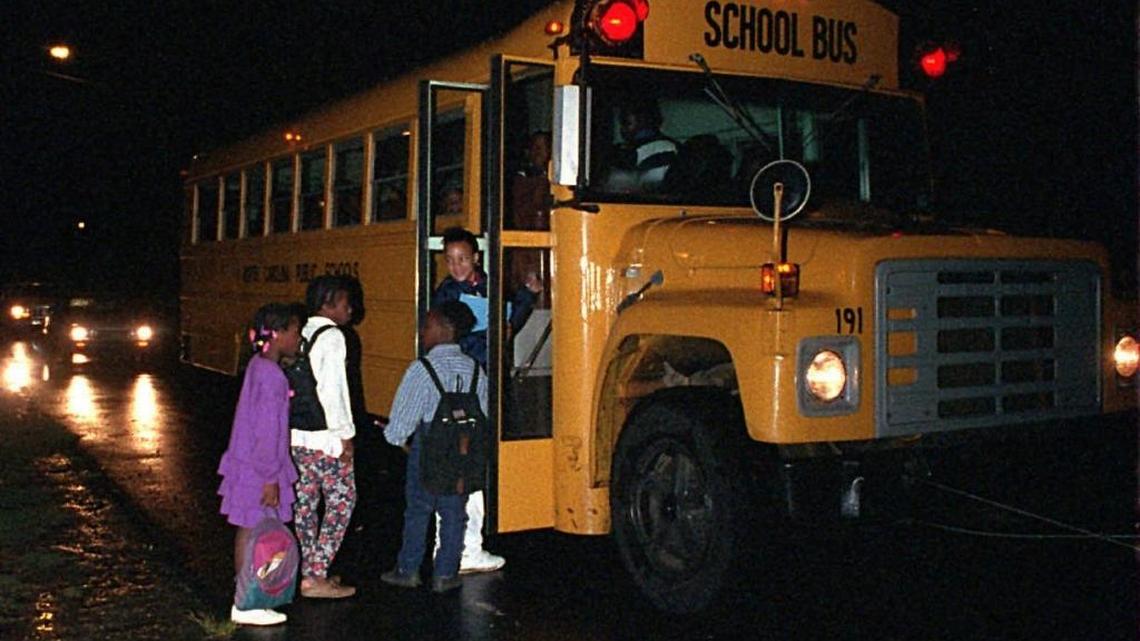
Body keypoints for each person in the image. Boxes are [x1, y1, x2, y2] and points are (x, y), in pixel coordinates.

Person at [429, 226, 541, 573]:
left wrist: (528, 296)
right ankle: (457, 547)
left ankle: (461, 544)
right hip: (462, 381)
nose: (456, 266)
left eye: (462, 259)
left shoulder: (490, 286)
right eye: (449, 260)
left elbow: (510, 319)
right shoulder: (446, 292)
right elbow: (444, 332)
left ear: (476, 257)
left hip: (487, 378)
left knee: (473, 459)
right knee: (464, 461)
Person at [381, 301, 487, 593]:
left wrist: (397, 440)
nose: (423, 332)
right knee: (454, 512)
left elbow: (400, 424)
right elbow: (486, 413)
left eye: (427, 326)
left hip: (428, 451)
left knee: (418, 510)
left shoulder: (422, 369)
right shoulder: (475, 369)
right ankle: (445, 573)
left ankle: (408, 569)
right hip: (461, 453)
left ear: (444, 329)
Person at [217, 303, 302, 626]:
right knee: (256, 529)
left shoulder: (257, 366)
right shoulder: (273, 378)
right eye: (295, 331)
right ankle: (247, 602)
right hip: (260, 469)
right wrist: (270, 477)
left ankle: (246, 593)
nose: (299, 337)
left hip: (247, 463)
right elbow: (268, 431)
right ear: (278, 334)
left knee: (249, 527)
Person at [290, 275, 357, 599]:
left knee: (305, 505)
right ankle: (316, 575)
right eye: (346, 303)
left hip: (298, 437)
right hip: (326, 440)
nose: (351, 309)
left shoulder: (300, 332)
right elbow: (333, 392)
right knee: (342, 502)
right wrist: (346, 435)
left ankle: (309, 571)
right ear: (328, 304)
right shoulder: (332, 337)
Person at [606, 97, 678, 192]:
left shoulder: (665, 149)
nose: (622, 130)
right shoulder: (624, 149)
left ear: (644, 120)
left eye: (626, 123)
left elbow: (646, 186)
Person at [509, 131, 552, 230]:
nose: (538, 154)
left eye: (541, 148)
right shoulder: (521, 180)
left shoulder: (559, 183)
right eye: (534, 148)